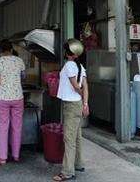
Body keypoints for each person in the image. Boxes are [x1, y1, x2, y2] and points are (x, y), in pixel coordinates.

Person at [53, 39, 89, 181]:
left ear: (70, 53)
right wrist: (85, 103)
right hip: (78, 104)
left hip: (71, 105)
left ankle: (67, 171)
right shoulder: (80, 67)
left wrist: (80, 97)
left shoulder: (69, 65)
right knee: (77, 136)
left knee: (69, 139)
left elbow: (76, 86)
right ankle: (78, 163)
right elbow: (85, 86)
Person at [0, 39, 26, 165]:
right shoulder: (19, 61)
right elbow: (23, 77)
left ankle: (3, 157)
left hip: (2, 98)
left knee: (3, 128)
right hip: (17, 97)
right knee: (17, 127)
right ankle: (16, 155)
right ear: (11, 49)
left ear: (0, 50)